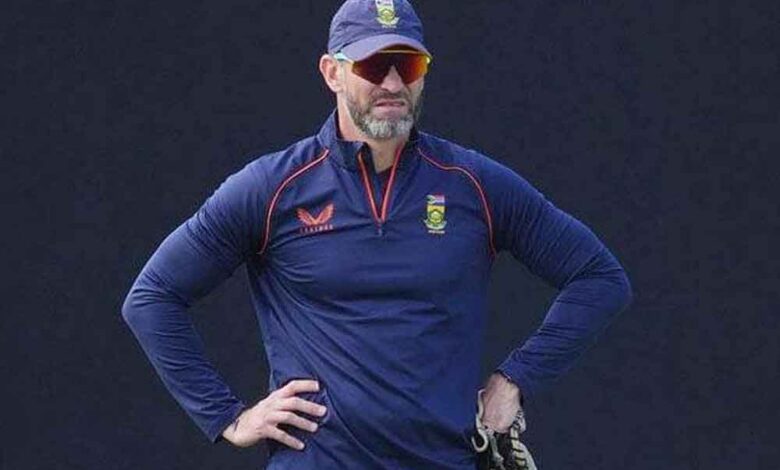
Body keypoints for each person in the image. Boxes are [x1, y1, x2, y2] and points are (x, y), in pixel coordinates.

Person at [121, 0, 633, 468]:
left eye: (407, 66)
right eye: (372, 65)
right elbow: (152, 297)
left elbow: (599, 276)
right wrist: (229, 417)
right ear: (333, 72)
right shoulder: (272, 187)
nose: (391, 83)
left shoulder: (473, 183)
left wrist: (515, 379)